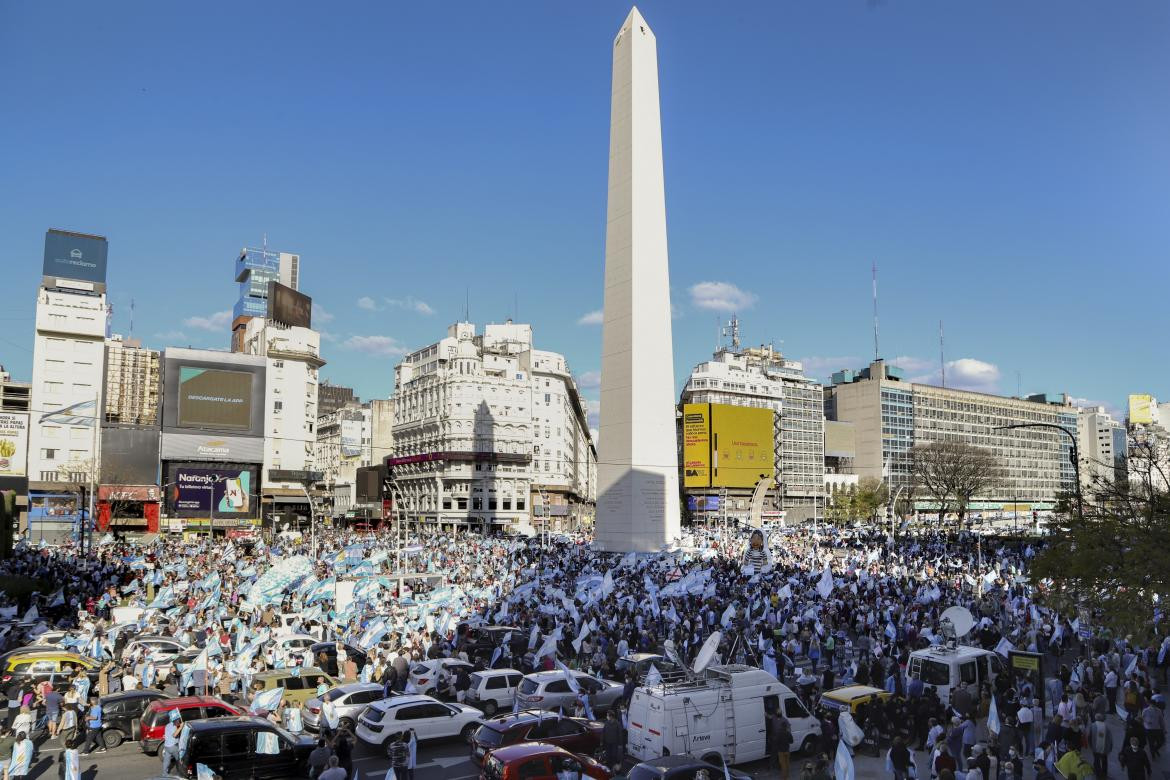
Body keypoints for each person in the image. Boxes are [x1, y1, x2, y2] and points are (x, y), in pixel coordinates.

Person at [1087, 712, 1111, 779]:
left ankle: (1098, 774)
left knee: (1097, 760)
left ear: (1095, 718)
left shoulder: (1093, 725)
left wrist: (1090, 745)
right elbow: (1110, 738)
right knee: (1104, 761)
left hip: (1096, 747)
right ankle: (1104, 773)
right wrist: (1109, 747)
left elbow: (1089, 736)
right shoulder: (1106, 726)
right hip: (1104, 748)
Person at [161, 710, 182, 775]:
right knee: (179, 760)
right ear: (176, 720)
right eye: (178, 720)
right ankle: (180, 772)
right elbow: (174, 735)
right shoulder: (174, 726)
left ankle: (164, 773)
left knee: (166, 760)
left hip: (167, 746)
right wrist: (180, 727)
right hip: (173, 746)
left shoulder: (167, 725)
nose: (179, 721)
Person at [774, 714, 793, 780]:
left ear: (781, 726)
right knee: (787, 764)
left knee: (783, 765)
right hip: (787, 750)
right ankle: (787, 776)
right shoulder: (788, 733)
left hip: (781, 751)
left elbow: (776, 742)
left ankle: (784, 778)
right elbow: (791, 741)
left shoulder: (779, 733)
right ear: (786, 727)